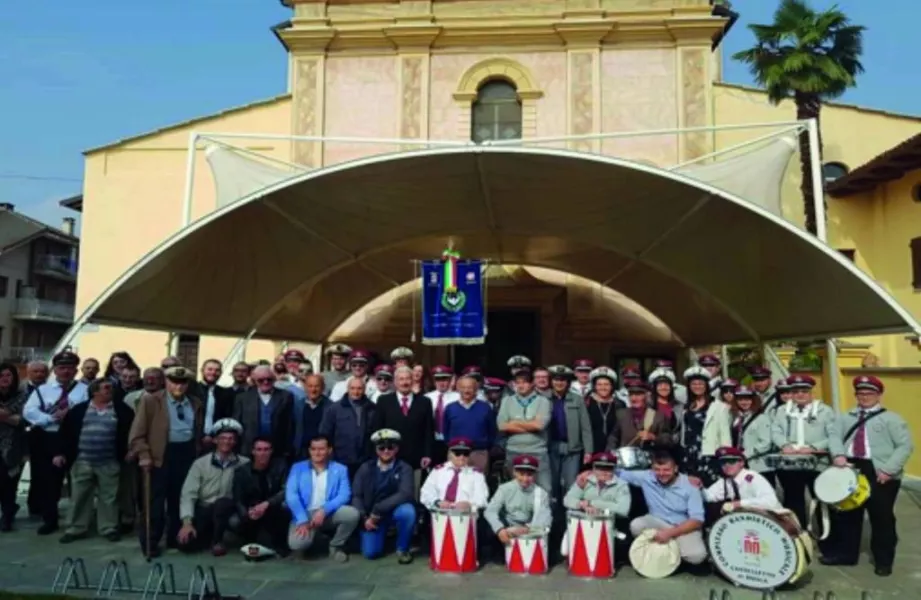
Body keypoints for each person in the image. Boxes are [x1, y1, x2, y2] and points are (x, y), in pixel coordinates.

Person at [824, 376, 914, 576]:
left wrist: (888, 470)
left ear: (879, 395)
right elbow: (834, 436)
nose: (864, 397)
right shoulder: (846, 417)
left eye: (869, 393)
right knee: (848, 514)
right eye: (860, 393)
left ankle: (883, 560)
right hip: (851, 466)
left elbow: (905, 446)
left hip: (880, 471)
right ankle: (847, 555)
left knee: (881, 518)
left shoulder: (892, 419)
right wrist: (838, 454)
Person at [129, 365, 204, 556]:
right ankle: (151, 541)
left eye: (183, 382)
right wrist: (144, 455)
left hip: (186, 453)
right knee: (155, 501)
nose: (178, 386)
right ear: (166, 382)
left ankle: (175, 538)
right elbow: (137, 434)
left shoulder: (195, 402)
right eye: (174, 382)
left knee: (179, 498)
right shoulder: (151, 401)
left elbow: (197, 430)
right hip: (159, 455)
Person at [55, 379, 134, 544]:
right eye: (106, 388)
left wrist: (131, 450)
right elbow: (65, 433)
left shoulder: (122, 410)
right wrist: (60, 453)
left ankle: (109, 528)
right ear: (94, 391)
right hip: (82, 461)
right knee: (79, 496)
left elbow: (132, 432)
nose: (109, 390)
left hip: (109, 462)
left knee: (109, 497)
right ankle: (76, 528)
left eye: (111, 388)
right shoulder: (79, 410)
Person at [22, 350, 89, 535]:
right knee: (49, 482)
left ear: (76, 370)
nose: (66, 372)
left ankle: (78, 521)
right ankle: (49, 519)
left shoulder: (84, 390)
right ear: (55, 370)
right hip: (48, 438)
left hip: (75, 439)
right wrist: (50, 418)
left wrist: (71, 417)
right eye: (62, 368)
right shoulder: (43, 390)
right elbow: (29, 412)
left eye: (70, 368)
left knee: (78, 481)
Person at [618, 450, 708, 569]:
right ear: (652, 469)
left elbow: (697, 520)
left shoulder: (690, 486)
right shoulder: (647, 477)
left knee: (697, 556)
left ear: (675, 469)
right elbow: (616, 472)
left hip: (683, 526)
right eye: (657, 469)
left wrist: (669, 533)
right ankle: (658, 553)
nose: (661, 473)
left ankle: (675, 552)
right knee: (636, 525)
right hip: (657, 521)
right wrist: (588, 472)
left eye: (666, 470)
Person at [770, 374, 838, 528]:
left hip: (817, 463)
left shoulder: (824, 411)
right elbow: (776, 431)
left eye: (804, 391)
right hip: (790, 463)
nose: (800, 395)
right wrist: (784, 445)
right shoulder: (782, 411)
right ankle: (799, 536)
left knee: (822, 501)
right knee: (793, 502)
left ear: (811, 392)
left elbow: (833, 435)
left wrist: (814, 447)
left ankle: (825, 539)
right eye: (795, 391)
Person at [177, 419, 248, 556]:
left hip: (228, 510)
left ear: (235, 442)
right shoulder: (200, 464)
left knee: (222, 504)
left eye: (231, 439)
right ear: (215, 441)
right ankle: (208, 535)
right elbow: (188, 493)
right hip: (204, 509)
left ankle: (217, 541)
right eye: (222, 438)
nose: (226, 442)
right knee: (185, 544)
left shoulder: (244, 463)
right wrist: (187, 522)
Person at [286, 435, 360, 561]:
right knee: (298, 545)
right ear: (309, 450)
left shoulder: (340, 469)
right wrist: (302, 519)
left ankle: (336, 546)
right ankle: (312, 539)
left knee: (352, 514)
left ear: (329, 450)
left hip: (328, 513)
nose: (317, 452)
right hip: (305, 514)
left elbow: (344, 494)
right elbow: (291, 495)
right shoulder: (298, 468)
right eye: (313, 449)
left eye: (321, 449)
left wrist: (324, 510)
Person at [352, 429, 417, 563]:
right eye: (381, 447)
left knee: (408, 512)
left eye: (390, 447)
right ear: (376, 450)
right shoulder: (365, 468)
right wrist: (365, 518)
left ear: (396, 449)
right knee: (371, 553)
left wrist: (378, 509)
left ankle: (402, 548)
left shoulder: (404, 468)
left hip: (392, 511)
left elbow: (406, 493)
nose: (386, 451)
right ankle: (379, 537)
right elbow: (356, 495)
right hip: (371, 517)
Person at [371, 366, 434, 494]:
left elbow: (429, 430)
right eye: (401, 379)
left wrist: (427, 454)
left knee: (413, 492)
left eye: (407, 379)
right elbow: (377, 428)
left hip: (415, 457)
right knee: (389, 491)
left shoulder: (425, 402)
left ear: (413, 381)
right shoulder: (384, 401)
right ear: (395, 382)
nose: (404, 382)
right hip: (389, 456)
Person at [561, 451, 630, 559]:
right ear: (593, 468)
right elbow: (567, 500)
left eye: (608, 469)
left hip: (608, 526)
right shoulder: (584, 480)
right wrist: (581, 504)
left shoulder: (621, 485)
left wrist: (593, 503)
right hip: (582, 523)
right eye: (599, 468)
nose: (604, 472)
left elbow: (623, 509)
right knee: (565, 551)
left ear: (613, 469)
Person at [231, 437, 290, 555]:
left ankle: (279, 544)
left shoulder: (281, 466)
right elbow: (238, 498)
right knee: (234, 520)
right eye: (259, 450)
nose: (262, 453)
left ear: (271, 451)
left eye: (266, 449)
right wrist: (247, 513)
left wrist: (267, 504)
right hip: (251, 511)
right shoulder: (242, 471)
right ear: (253, 451)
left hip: (273, 508)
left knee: (285, 506)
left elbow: (286, 490)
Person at [496, 369, 552, 492]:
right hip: (513, 450)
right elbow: (502, 426)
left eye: (524, 382)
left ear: (532, 383)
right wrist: (529, 424)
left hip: (537, 450)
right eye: (518, 383)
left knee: (544, 488)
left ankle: (542, 511)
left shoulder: (543, 401)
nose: (520, 386)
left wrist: (514, 422)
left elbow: (539, 426)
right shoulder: (507, 401)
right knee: (515, 489)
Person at [545, 365, 593, 504]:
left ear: (568, 382)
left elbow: (586, 427)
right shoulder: (543, 398)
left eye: (563, 380)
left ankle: (569, 514)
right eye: (556, 380)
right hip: (550, 446)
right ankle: (553, 516)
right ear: (551, 381)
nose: (559, 383)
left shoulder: (577, 399)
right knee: (551, 483)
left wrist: (588, 450)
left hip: (572, 447)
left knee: (571, 484)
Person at [483, 455, 552, 550]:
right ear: (514, 472)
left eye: (529, 475)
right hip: (506, 527)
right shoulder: (504, 489)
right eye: (521, 474)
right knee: (488, 527)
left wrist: (527, 529)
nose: (525, 479)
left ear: (535, 475)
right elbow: (490, 511)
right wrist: (499, 529)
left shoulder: (541, 493)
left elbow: (543, 519)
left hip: (528, 529)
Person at [701, 446, 782, 525]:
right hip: (750, 522)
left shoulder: (752, 478)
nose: (727, 465)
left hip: (773, 521)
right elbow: (709, 496)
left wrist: (740, 504)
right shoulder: (725, 481)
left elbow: (771, 502)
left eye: (732, 461)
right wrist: (699, 487)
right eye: (723, 462)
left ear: (741, 463)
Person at [319, 376, 377, 480]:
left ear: (364, 390)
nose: (356, 391)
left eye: (359, 388)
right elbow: (325, 433)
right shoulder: (334, 409)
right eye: (353, 388)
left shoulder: (372, 408)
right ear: (348, 389)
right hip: (341, 459)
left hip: (365, 461)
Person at [232, 365, 295, 461]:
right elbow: (237, 425)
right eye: (261, 380)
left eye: (269, 379)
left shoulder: (286, 396)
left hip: (277, 449)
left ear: (274, 379)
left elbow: (290, 424)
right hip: (249, 449)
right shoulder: (242, 398)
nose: (265, 382)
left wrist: (288, 448)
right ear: (254, 380)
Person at [442, 375, 496, 474]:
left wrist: (485, 446)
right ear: (458, 389)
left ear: (476, 389)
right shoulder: (450, 408)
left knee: (479, 484)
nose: (466, 391)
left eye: (470, 387)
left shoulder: (485, 408)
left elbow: (492, 430)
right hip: (456, 453)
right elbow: (445, 430)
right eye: (463, 387)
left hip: (479, 453)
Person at [420, 437, 489, 512]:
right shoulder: (438, 471)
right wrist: (437, 502)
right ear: (450, 453)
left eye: (466, 453)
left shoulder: (476, 475)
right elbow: (425, 493)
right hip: (439, 516)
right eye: (457, 453)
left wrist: (469, 505)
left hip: (466, 517)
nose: (462, 457)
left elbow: (482, 499)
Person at [729, 386, 775, 485]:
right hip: (742, 466)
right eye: (740, 399)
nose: (744, 402)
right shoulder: (737, 418)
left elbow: (765, 443)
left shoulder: (761, 418)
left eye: (747, 399)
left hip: (759, 466)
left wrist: (745, 454)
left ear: (753, 400)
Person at [0, 363, 25, 531]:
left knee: (9, 483)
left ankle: (7, 515)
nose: (4, 379)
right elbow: (11, 417)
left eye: (8, 375)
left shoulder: (23, 395)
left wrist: (5, 416)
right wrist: (8, 416)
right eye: (1, 375)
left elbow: (21, 420)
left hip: (14, 446)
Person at [427, 365, 459, 465]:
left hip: (452, 440)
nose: (441, 383)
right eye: (438, 379)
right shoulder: (427, 398)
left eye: (444, 379)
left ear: (450, 380)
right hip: (433, 441)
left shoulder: (458, 398)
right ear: (434, 381)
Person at [293, 374, 330, 458]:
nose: (313, 390)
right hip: (300, 452)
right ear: (305, 387)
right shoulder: (297, 405)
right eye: (310, 386)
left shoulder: (331, 407)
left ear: (323, 388)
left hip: (322, 453)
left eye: (317, 386)